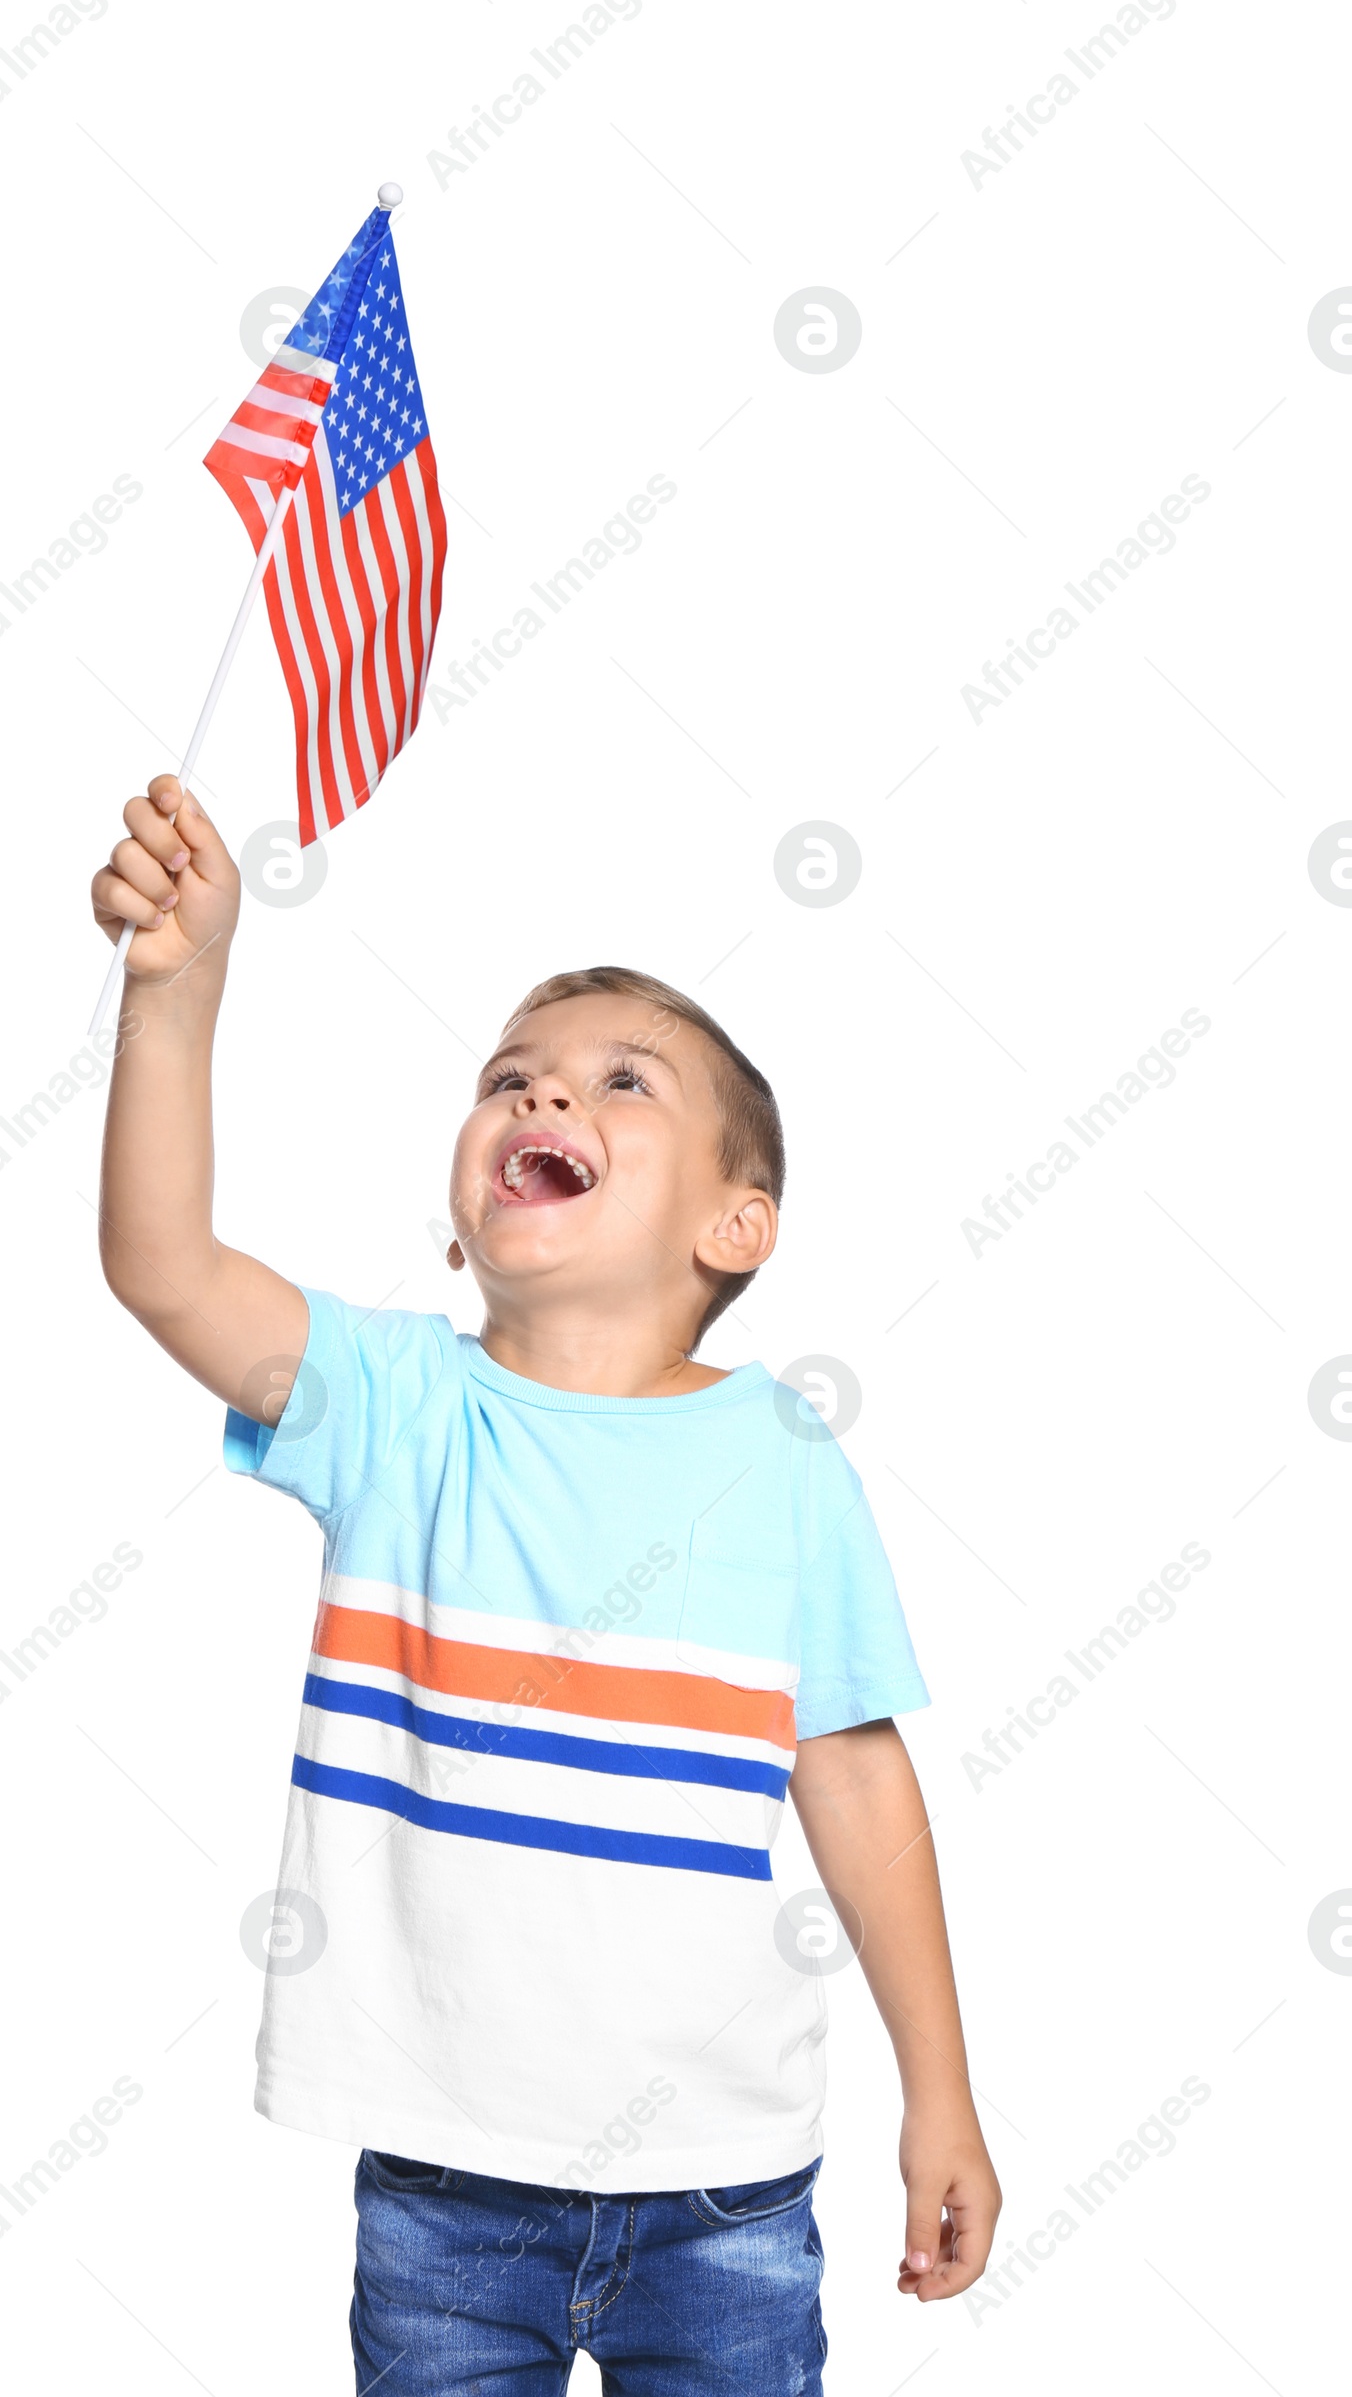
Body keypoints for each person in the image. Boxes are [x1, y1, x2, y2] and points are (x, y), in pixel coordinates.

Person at [92, 774, 1001, 2391]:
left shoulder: (784, 1465)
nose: (542, 1095)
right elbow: (161, 1262)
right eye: (510, 1077)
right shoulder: (395, 1406)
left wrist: (942, 2088)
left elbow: (857, 1775)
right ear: (464, 1218)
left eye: (618, 1080)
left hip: (724, 2191)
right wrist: (178, 987)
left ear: (739, 1223)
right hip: (443, 2195)